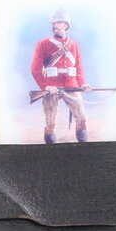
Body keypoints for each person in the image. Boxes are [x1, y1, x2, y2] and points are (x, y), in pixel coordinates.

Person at [29, 10, 90, 143]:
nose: (55, 25)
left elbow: (78, 67)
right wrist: (46, 86)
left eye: (58, 22)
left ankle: (85, 149)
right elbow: (35, 68)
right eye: (54, 22)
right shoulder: (43, 43)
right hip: (51, 87)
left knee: (82, 118)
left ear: (66, 25)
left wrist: (82, 83)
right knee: (50, 122)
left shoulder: (74, 44)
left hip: (72, 86)